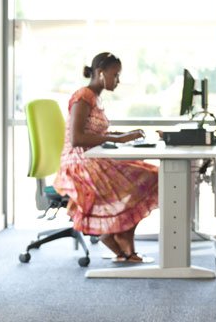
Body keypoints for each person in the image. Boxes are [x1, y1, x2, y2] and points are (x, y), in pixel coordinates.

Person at [54, 52, 159, 263]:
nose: (118, 81)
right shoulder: (83, 96)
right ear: (101, 73)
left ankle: (119, 235)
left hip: (93, 158)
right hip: (79, 163)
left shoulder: (96, 98)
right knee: (149, 178)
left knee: (153, 174)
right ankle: (116, 235)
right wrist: (118, 140)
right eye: (115, 75)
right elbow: (76, 139)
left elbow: (97, 134)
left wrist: (122, 135)